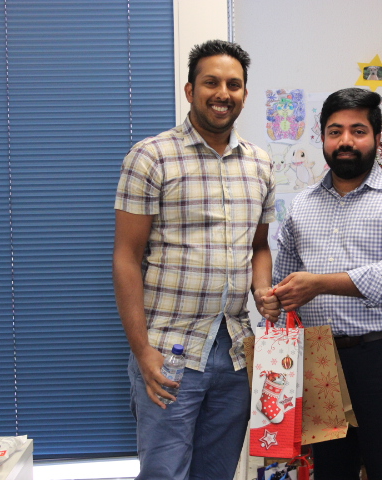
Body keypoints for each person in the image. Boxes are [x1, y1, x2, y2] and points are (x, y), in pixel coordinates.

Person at [113, 39, 280, 480]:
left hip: (235, 352)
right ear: (190, 90)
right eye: (211, 82)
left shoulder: (261, 164)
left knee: (218, 473)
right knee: (164, 473)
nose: (223, 93)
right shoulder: (151, 157)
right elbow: (126, 257)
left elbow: (259, 246)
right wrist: (142, 351)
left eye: (233, 84)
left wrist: (262, 288)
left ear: (244, 94)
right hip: (168, 353)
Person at [272, 87, 382, 480]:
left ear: (376, 137)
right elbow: (284, 280)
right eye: (335, 131)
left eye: (358, 130)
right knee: (331, 469)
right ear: (323, 138)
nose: (345, 140)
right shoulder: (302, 205)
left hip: (380, 355)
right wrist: (272, 300)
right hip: (319, 358)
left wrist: (320, 284)